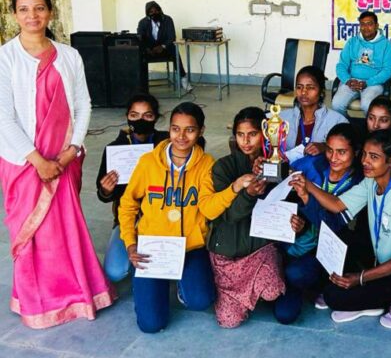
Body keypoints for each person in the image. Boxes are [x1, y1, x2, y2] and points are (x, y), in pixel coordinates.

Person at [0, 0, 115, 328]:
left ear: (50, 12)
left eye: (39, 8)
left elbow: (83, 105)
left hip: (64, 158)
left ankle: (77, 293)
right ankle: (37, 302)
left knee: (64, 229)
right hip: (22, 162)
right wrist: (38, 161)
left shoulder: (68, 55)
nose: (32, 15)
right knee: (32, 233)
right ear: (14, 15)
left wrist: (70, 151)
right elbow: (4, 116)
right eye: (24, 9)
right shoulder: (5, 58)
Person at [119, 102, 240, 333]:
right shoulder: (148, 162)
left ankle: (182, 285)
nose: (182, 136)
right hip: (153, 247)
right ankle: (150, 287)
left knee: (201, 301)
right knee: (151, 325)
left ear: (201, 131)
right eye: (176, 129)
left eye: (190, 130)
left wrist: (233, 189)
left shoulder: (207, 165)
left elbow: (209, 210)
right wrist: (131, 243)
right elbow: (127, 205)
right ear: (169, 129)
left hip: (189, 247)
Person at [290, 129, 391, 329]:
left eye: (374, 157)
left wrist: (360, 278)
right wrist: (308, 186)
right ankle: (373, 298)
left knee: (333, 296)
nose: (365, 162)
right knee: (342, 245)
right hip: (380, 260)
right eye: (364, 155)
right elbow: (337, 204)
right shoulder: (371, 182)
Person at [275, 123, 364, 324]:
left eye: (342, 152)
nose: (334, 158)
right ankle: (283, 280)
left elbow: (335, 226)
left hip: (325, 251)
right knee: (284, 313)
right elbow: (283, 178)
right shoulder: (314, 164)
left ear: (356, 152)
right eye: (330, 150)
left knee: (295, 275)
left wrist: (307, 197)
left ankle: (315, 284)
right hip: (293, 242)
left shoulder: (359, 183)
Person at [206, 107, 286, 328]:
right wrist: (248, 194)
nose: (246, 141)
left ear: (265, 134)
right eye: (240, 134)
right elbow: (229, 215)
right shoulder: (223, 167)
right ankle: (235, 295)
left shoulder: (276, 163)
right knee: (228, 321)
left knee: (272, 291)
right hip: (228, 251)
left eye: (252, 134)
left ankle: (255, 291)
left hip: (258, 249)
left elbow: (283, 204)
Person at [96, 93, 169, 282]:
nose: (140, 120)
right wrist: (107, 189)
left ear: (156, 118)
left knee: (168, 264)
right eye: (134, 115)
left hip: (164, 215)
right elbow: (102, 195)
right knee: (115, 272)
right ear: (127, 117)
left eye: (147, 115)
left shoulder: (167, 144)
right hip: (129, 219)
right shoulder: (114, 149)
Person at [332, 11, 391, 116]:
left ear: (376, 26)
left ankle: (369, 126)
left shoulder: (386, 44)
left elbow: (388, 70)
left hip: (373, 83)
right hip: (351, 82)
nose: (366, 28)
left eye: (369, 24)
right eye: (362, 24)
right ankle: (346, 124)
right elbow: (341, 65)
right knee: (336, 104)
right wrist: (348, 80)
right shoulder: (352, 42)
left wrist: (368, 82)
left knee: (367, 105)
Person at [280, 65, 348, 155]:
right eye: (299, 87)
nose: (303, 92)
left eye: (310, 87)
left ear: (321, 92)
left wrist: (325, 147)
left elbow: (346, 152)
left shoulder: (338, 122)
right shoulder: (281, 118)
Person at [136, 1, 191, 91]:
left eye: (156, 11)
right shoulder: (143, 22)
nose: (154, 13)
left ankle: (183, 78)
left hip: (165, 49)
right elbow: (140, 38)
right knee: (138, 53)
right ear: (147, 14)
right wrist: (147, 49)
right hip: (150, 51)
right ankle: (141, 84)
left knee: (174, 49)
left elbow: (172, 37)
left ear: (160, 10)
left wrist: (163, 46)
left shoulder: (168, 20)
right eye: (151, 12)